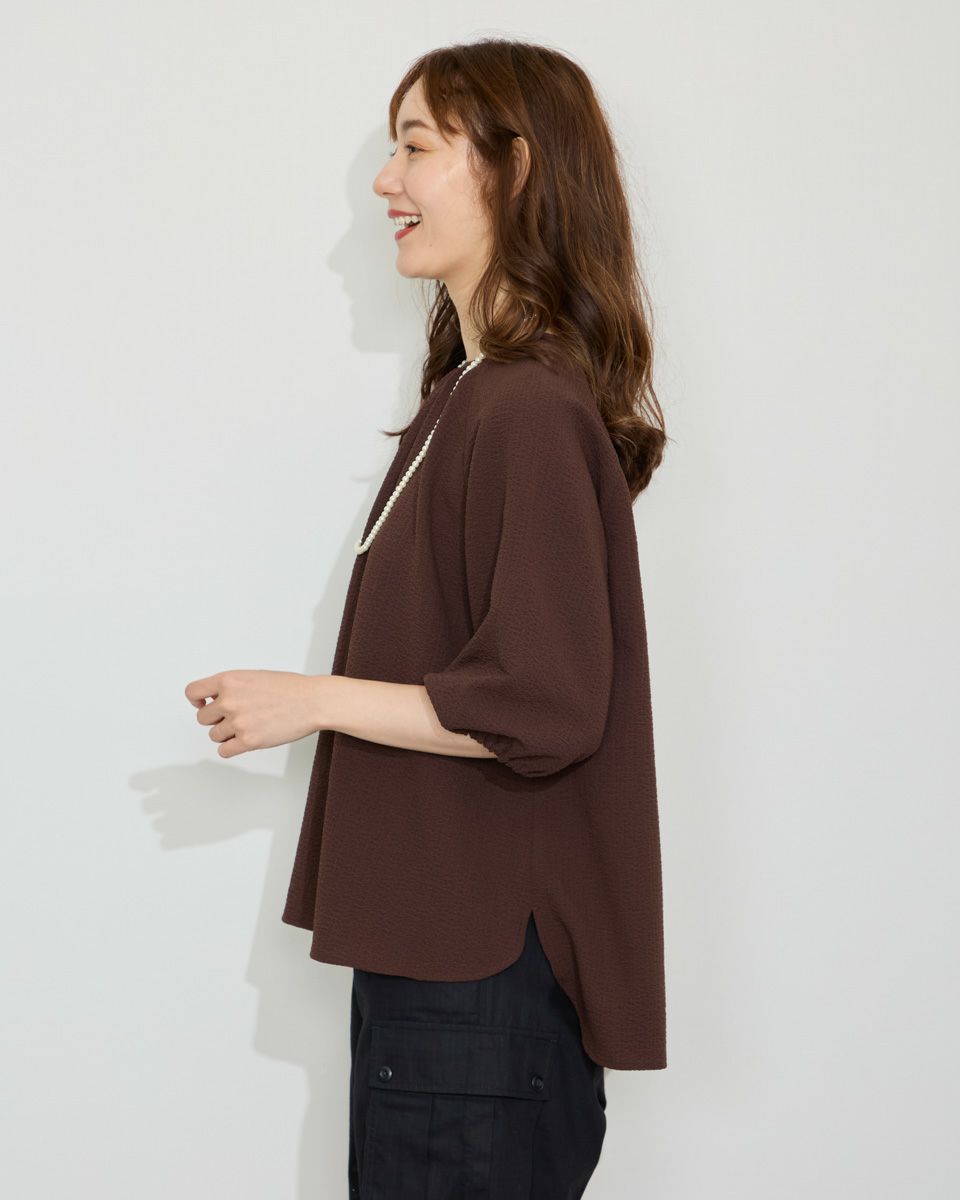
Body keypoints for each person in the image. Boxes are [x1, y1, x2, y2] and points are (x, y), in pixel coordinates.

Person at [185, 37, 668, 1199]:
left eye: (414, 147)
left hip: (479, 991)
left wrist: (312, 701)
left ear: (515, 168)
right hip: (449, 984)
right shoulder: (469, 398)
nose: (384, 181)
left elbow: (546, 703)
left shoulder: (524, 409)